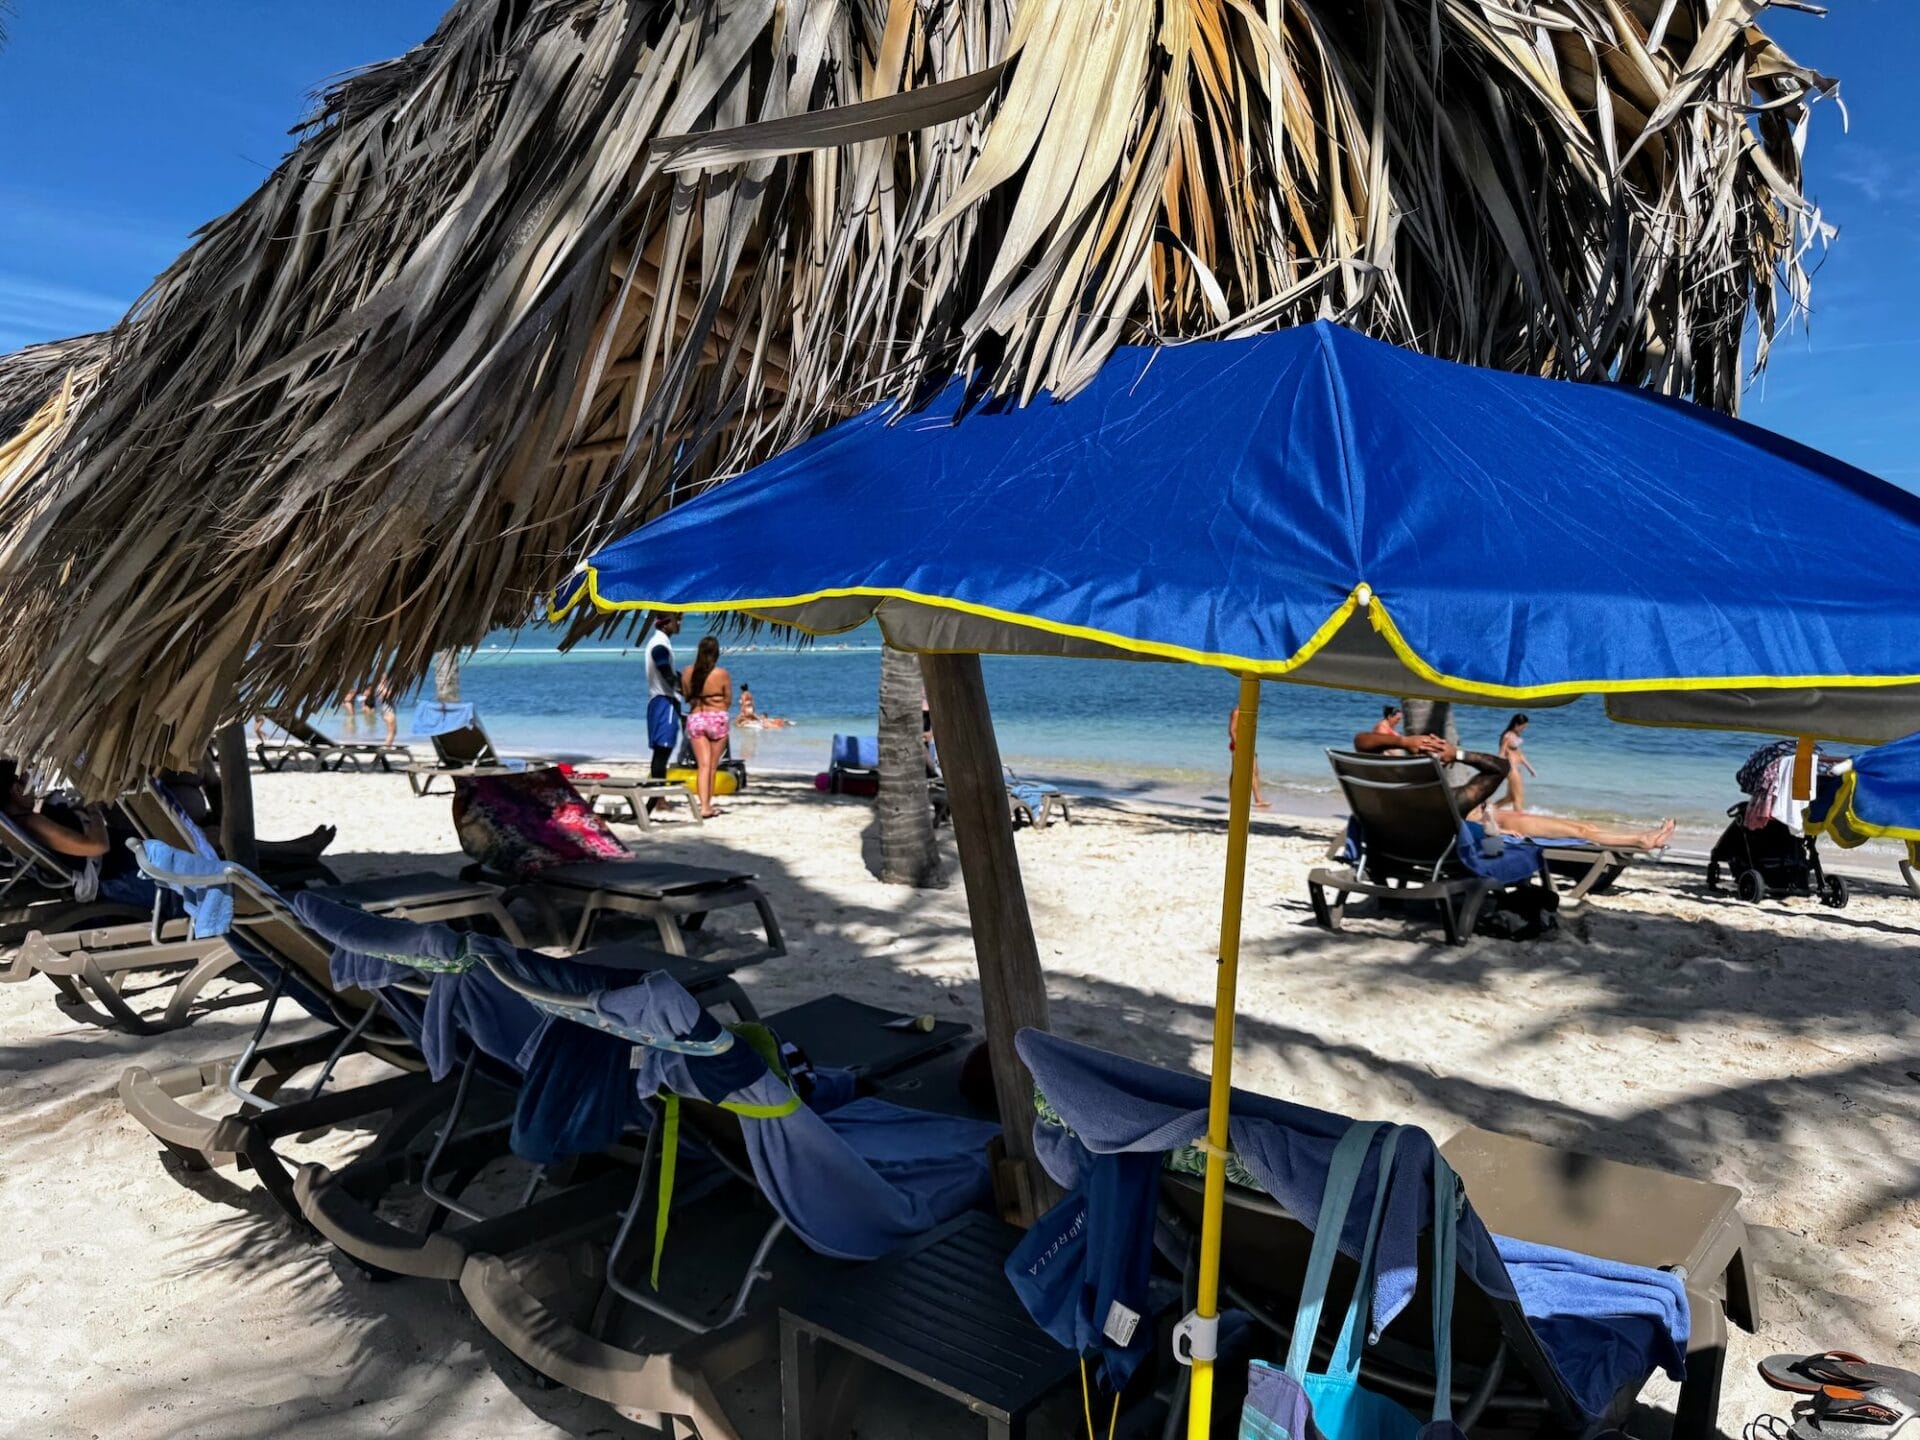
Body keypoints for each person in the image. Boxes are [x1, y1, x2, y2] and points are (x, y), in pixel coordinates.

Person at [1350, 729, 1511, 818]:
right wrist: (1458, 754)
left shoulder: (1390, 790)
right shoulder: (1454, 802)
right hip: (1433, 856)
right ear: (1444, 764)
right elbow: (1502, 767)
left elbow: (1361, 742)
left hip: (1388, 851)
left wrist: (1404, 742)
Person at [680, 636, 733, 819]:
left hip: (696, 718)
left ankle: (703, 806)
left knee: (702, 765)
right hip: (716, 717)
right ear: (716, 653)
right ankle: (707, 805)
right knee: (712, 766)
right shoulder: (722, 674)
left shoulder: (688, 672)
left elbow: (686, 696)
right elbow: (728, 700)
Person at [1491, 808, 1675, 850]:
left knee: (1586, 826)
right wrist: (1503, 832)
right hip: (1514, 825)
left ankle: (1648, 838)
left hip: (1516, 818)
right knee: (1582, 833)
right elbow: (1466, 825)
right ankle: (1640, 840)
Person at [641, 612, 684, 786]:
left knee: (660, 751)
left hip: (658, 701)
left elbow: (669, 671)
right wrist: (681, 688)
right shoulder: (660, 644)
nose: (679, 623)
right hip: (665, 701)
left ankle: (657, 796)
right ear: (666, 624)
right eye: (677, 620)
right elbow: (665, 669)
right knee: (663, 750)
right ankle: (658, 798)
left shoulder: (660, 642)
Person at [1227, 705, 1273, 810]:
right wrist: (1239, 746)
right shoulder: (1237, 712)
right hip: (1239, 746)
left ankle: (1231, 797)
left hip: (1248, 745)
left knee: (1250, 771)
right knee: (1251, 771)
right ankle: (1258, 800)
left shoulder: (1248, 712)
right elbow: (1232, 730)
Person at [1498, 714, 1537, 811]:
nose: (1524, 729)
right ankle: (1519, 818)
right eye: (1523, 727)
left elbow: (1519, 754)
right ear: (1516, 724)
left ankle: (1490, 810)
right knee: (1518, 799)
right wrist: (1498, 769)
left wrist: (1530, 769)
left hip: (1516, 768)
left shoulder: (1516, 735)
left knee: (1509, 798)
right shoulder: (1507, 736)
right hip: (1511, 769)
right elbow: (1502, 753)